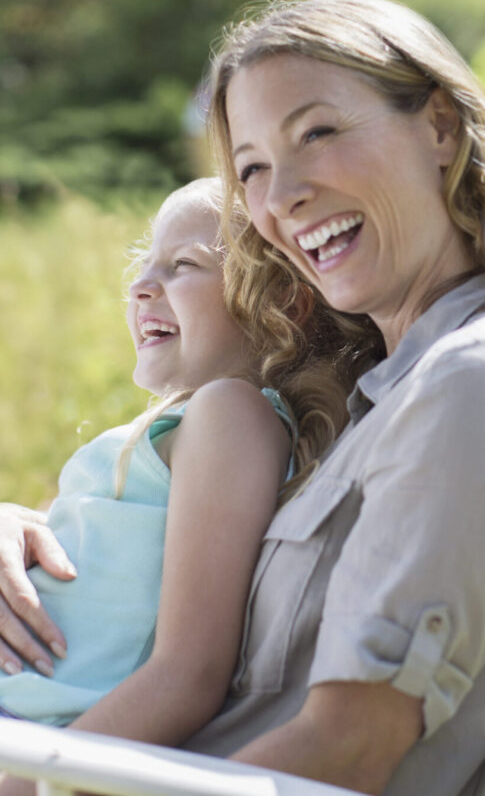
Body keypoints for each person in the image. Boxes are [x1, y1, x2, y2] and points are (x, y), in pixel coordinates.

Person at [0, 0, 485, 796]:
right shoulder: (389, 390)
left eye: (317, 133)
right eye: (251, 168)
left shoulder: (475, 383)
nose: (280, 196)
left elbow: (349, 750)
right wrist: (29, 532)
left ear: (441, 129)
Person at [0, 178, 351, 793]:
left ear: (283, 304)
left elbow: (187, 674)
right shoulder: (192, 421)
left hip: (31, 740)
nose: (139, 286)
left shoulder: (231, 415)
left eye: (183, 264)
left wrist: (31, 782)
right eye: (145, 261)